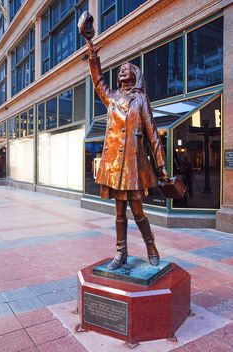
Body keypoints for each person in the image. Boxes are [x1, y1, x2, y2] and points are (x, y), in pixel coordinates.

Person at [86, 40, 168, 270]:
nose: (122, 70)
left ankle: (150, 245)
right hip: (114, 165)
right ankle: (120, 252)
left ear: (135, 76)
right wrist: (93, 55)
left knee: (138, 209)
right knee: (119, 211)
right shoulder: (111, 98)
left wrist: (161, 166)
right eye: (120, 70)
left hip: (133, 163)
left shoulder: (140, 100)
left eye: (127, 69)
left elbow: (152, 133)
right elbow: (98, 81)